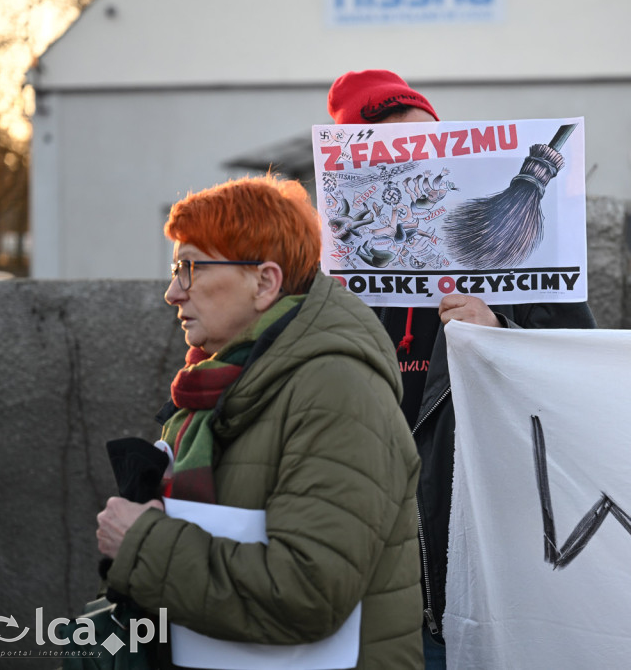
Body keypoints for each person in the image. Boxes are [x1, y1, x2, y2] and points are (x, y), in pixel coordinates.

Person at [95, 174, 424, 668]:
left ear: (265, 282)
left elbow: (308, 594)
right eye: (174, 268)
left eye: (190, 268)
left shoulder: (336, 389)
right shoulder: (216, 384)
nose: (172, 292)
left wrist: (143, 543)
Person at [327, 69, 597, 668]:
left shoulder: (518, 255)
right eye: (395, 154)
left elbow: (586, 374)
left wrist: (501, 335)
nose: (419, 169)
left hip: (483, 576)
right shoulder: (320, 282)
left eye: (430, 143)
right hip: (361, 582)